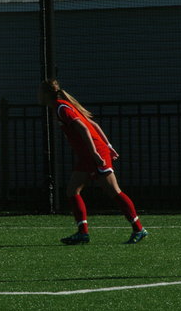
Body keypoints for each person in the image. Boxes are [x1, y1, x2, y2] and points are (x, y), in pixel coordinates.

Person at [38, 79, 148, 244]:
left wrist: (96, 153)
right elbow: (93, 124)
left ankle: (138, 229)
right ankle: (83, 233)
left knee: (114, 191)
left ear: (46, 94)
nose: (38, 95)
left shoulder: (62, 108)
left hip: (93, 154)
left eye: (39, 92)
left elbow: (84, 128)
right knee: (72, 190)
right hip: (89, 155)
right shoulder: (63, 106)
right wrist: (109, 146)